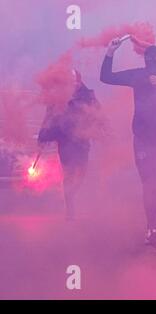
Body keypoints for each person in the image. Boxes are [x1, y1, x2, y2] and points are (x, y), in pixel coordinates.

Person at [100, 39, 156, 250]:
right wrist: (111, 51)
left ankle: (154, 226)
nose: (153, 66)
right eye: (151, 62)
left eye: (155, 62)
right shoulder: (139, 75)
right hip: (143, 139)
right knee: (149, 183)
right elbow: (106, 77)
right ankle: (153, 227)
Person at [38, 70, 100, 221]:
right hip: (65, 142)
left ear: (79, 82)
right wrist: (42, 136)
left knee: (82, 172)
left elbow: (99, 113)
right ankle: (69, 204)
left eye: (74, 81)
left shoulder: (87, 95)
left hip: (82, 141)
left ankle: (72, 194)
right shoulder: (59, 97)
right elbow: (49, 117)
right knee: (68, 174)